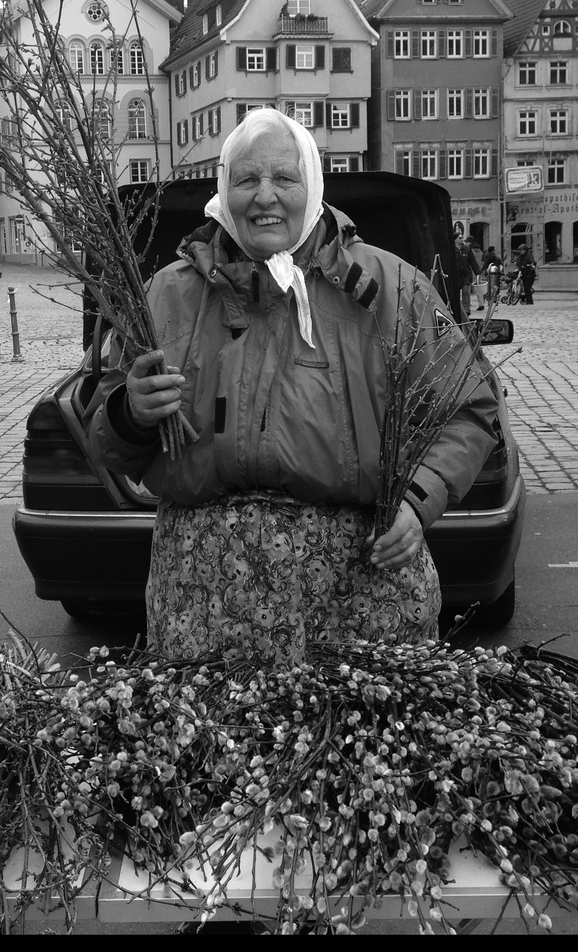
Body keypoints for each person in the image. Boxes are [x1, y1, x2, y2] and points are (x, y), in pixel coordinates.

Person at [87, 108, 499, 667]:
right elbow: (105, 439)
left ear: (313, 184)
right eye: (247, 179)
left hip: (359, 593)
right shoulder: (165, 297)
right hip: (203, 602)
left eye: (284, 178)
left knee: (351, 747)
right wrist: (130, 412)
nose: (265, 197)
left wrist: (419, 500)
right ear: (223, 189)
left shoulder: (390, 289)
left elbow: (469, 409)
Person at [453, 226, 474, 317]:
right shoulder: (452, 250)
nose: (462, 240)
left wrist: (478, 272)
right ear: (455, 240)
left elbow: (472, 261)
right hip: (456, 275)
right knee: (456, 293)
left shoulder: (466, 249)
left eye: (462, 238)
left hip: (466, 274)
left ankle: (466, 309)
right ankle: (457, 308)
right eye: (460, 238)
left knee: (466, 292)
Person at [467, 239, 486, 311]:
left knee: (467, 289)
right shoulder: (480, 252)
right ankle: (481, 304)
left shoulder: (470, 251)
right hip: (478, 271)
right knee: (479, 289)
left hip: (471, 271)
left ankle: (467, 304)